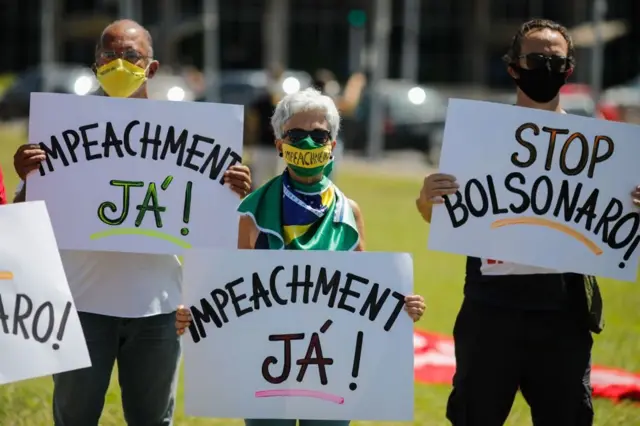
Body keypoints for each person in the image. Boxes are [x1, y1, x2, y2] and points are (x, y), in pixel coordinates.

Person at [12, 19, 252, 426]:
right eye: (109, 54)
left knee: (152, 420)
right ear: (95, 64)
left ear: (152, 68)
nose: (119, 63)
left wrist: (237, 194)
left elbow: (220, 230)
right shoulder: (61, 129)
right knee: (73, 418)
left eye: (131, 56)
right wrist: (26, 181)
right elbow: (27, 220)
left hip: (157, 308)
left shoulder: (191, 134)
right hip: (81, 305)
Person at [416, 19, 625, 426]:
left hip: (562, 315)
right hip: (489, 311)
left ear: (569, 69)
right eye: (535, 59)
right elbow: (435, 216)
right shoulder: (479, 137)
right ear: (513, 67)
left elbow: (615, 230)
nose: (545, 67)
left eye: (555, 60)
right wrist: (427, 199)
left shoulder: (598, 148)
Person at [176, 87, 426, 426]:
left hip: (331, 361)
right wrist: (193, 313)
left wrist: (402, 305)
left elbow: (366, 292)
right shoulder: (251, 211)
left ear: (332, 145)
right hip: (266, 360)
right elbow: (228, 287)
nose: (308, 143)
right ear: (279, 144)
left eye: (319, 134)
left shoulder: (350, 213)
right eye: (296, 134)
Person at [246, 63, 287, 187]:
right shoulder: (261, 101)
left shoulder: (284, 102)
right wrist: (251, 143)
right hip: (262, 146)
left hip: (278, 148)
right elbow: (252, 122)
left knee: (278, 181)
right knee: (258, 181)